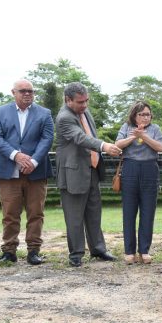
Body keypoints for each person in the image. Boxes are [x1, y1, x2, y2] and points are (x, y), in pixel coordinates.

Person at [56, 82, 122, 267]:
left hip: (92, 169)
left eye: (86, 101)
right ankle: (76, 254)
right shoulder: (64, 117)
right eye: (80, 102)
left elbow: (90, 133)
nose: (84, 105)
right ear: (68, 100)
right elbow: (80, 137)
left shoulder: (85, 112)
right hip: (73, 173)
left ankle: (98, 249)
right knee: (74, 216)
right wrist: (104, 146)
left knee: (94, 212)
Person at [0, 79, 54, 266]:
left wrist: (33, 161)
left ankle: (34, 251)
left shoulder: (45, 113)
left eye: (31, 91)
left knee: (36, 212)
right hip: (8, 172)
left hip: (36, 171)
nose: (27, 94)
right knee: (10, 213)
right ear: (13, 92)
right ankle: (9, 251)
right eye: (23, 91)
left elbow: (47, 138)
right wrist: (16, 155)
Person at [115, 101, 162, 264]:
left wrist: (144, 136)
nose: (145, 117)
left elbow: (159, 147)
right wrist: (134, 136)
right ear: (134, 115)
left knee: (148, 211)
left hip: (150, 168)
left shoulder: (155, 129)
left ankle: (144, 250)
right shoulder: (126, 127)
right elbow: (118, 144)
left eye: (147, 114)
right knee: (129, 211)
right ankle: (129, 251)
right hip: (130, 168)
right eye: (141, 114)